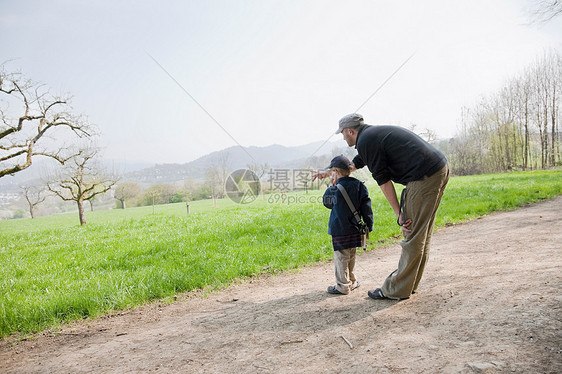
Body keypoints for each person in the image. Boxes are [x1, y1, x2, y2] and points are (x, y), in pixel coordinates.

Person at [316, 113, 449, 300]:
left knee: (412, 233)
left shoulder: (366, 141)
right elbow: (354, 164)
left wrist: (399, 213)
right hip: (438, 169)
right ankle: (408, 285)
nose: (343, 137)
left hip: (423, 177)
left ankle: (396, 289)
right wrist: (328, 172)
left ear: (350, 131)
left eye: (343, 133)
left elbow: (384, 181)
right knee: (421, 234)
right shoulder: (371, 136)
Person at [322, 155, 373, 295]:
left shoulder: (335, 188)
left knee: (341, 257)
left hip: (340, 229)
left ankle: (342, 286)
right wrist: (369, 225)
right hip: (356, 229)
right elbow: (366, 207)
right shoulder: (359, 185)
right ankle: (352, 280)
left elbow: (327, 203)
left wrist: (330, 187)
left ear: (337, 172)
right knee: (351, 255)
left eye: (332, 172)